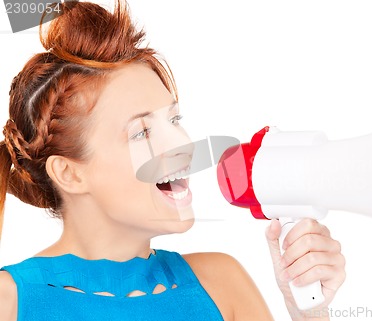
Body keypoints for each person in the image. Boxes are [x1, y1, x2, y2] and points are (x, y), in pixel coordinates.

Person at [0, 1, 345, 320]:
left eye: (174, 121)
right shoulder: (9, 301)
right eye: (142, 132)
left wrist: (307, 310)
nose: (182, 143)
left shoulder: (222, 285)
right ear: (70, 173)